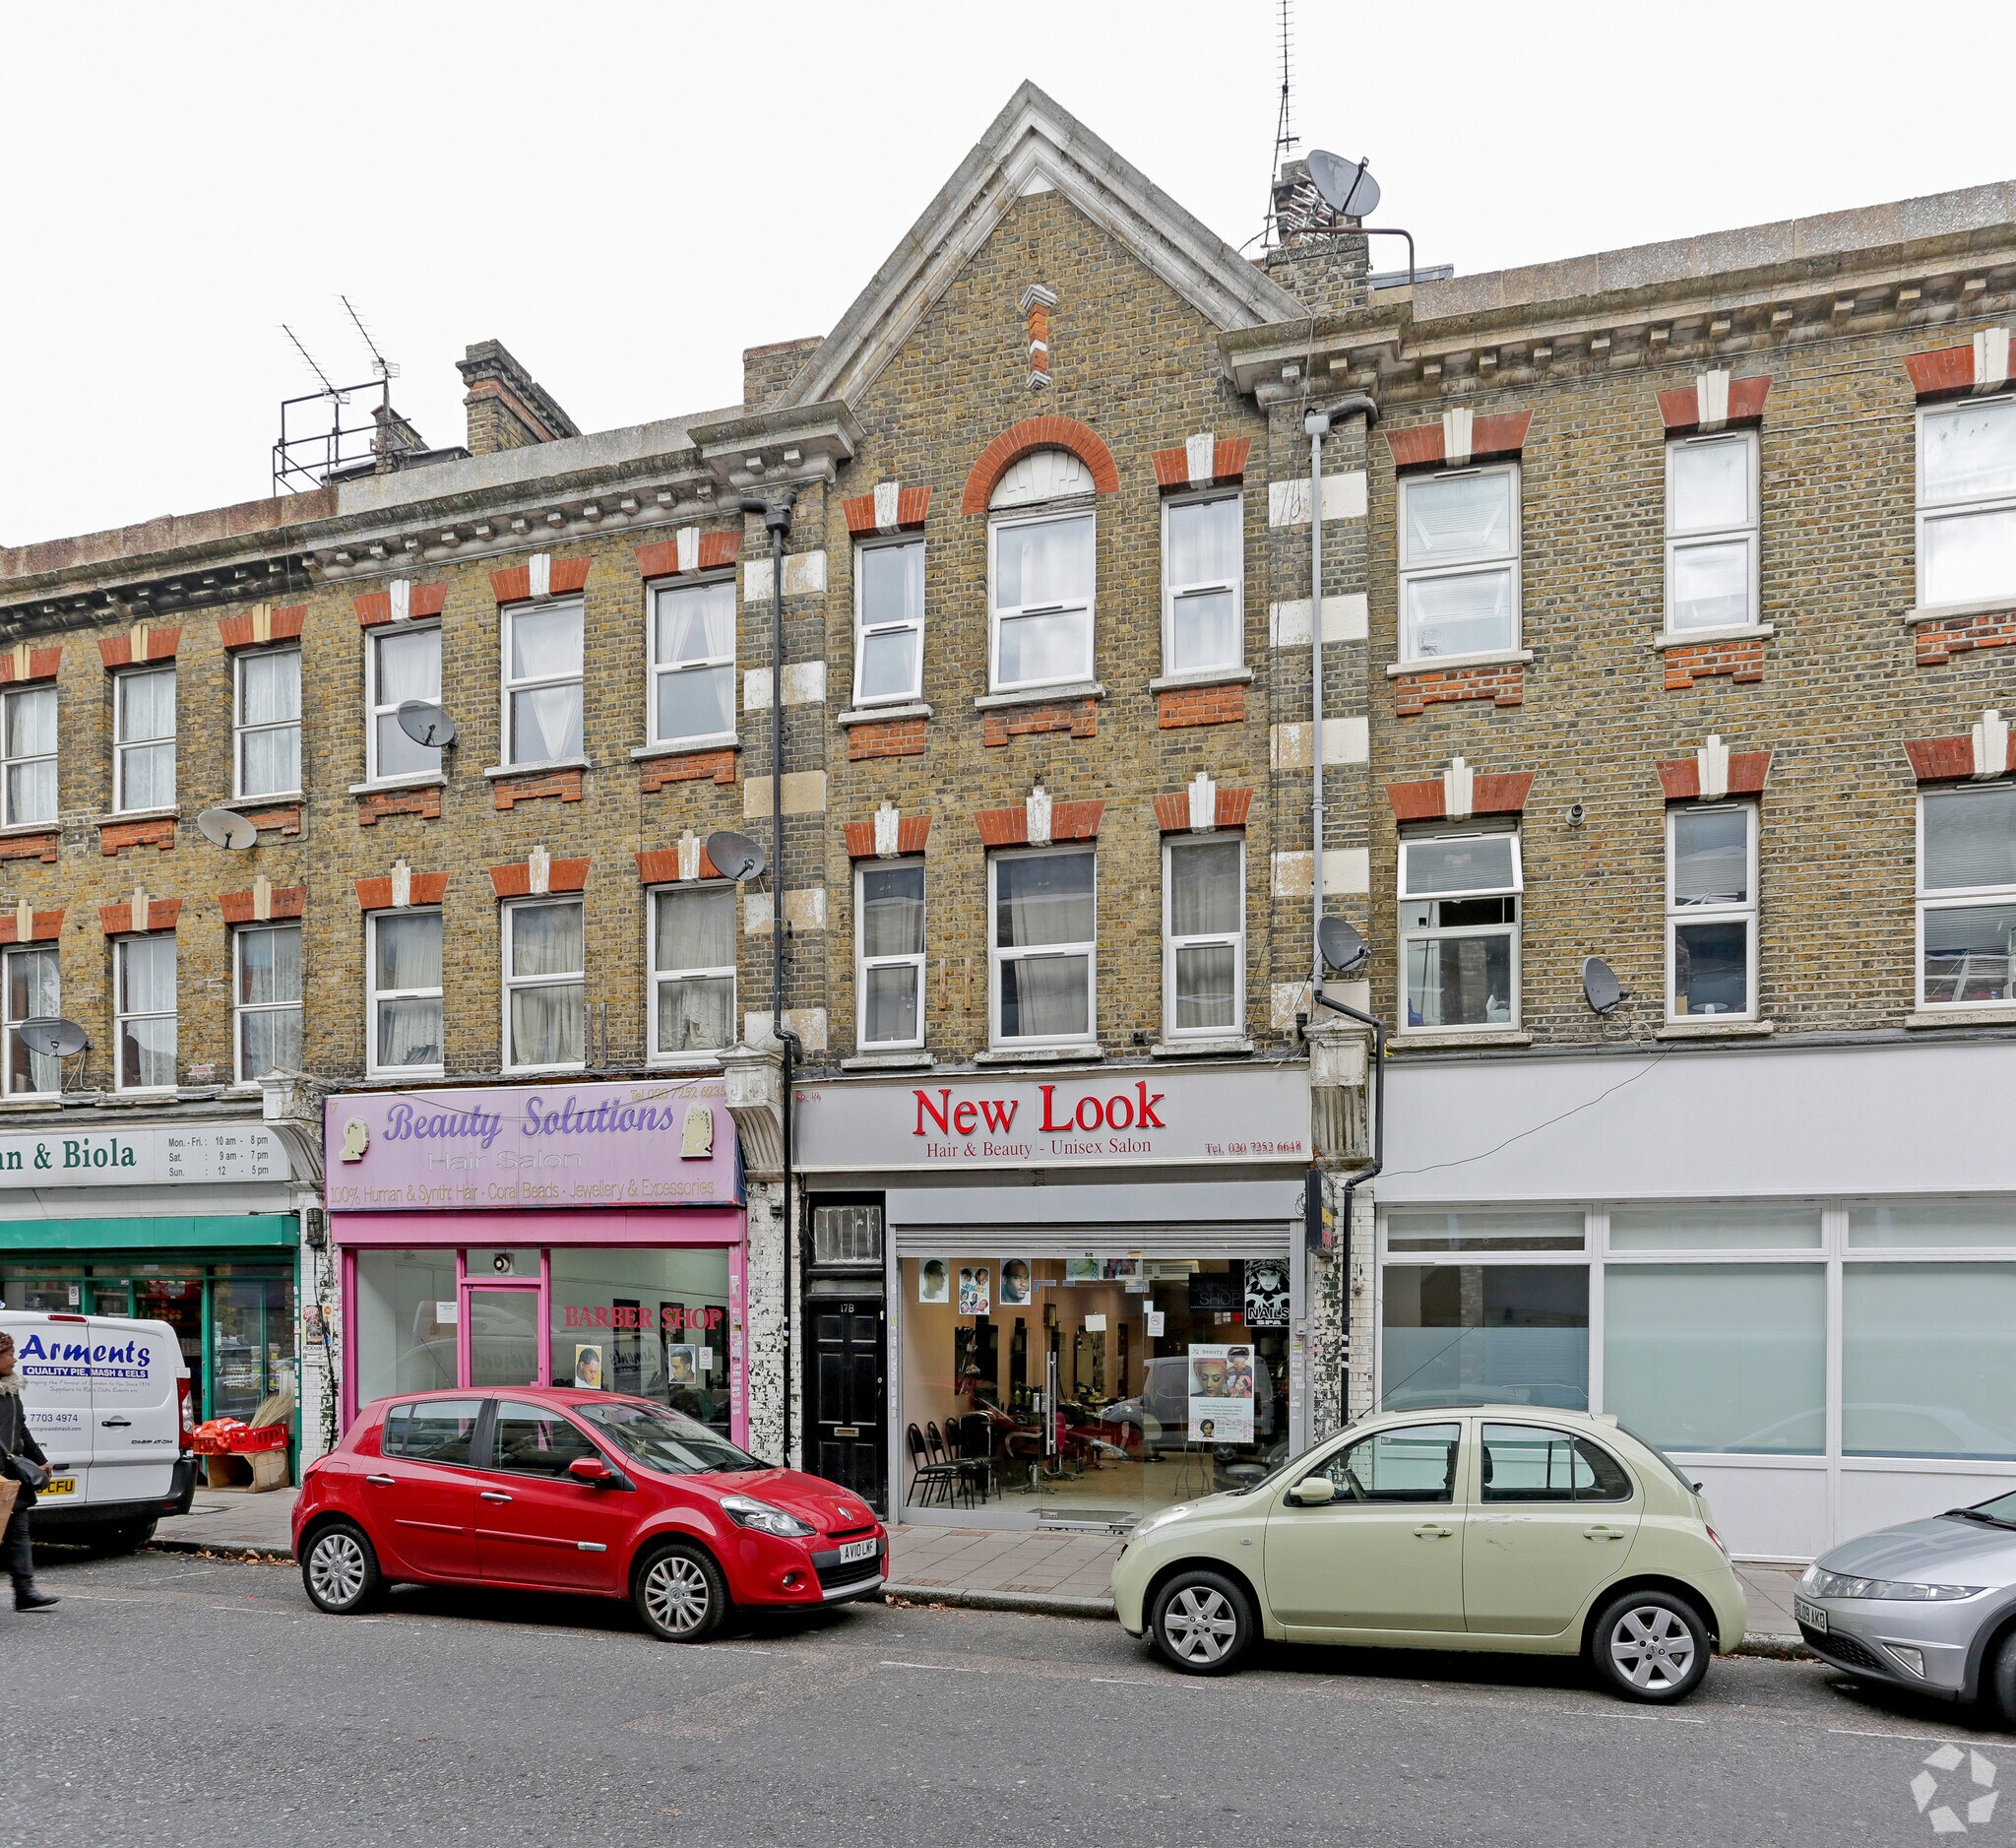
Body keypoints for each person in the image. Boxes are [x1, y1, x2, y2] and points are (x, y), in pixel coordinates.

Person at [0, 1331, 58, 1613]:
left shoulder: (10, 1390)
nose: (14, 1359)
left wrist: (40, 1461)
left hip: (11, 1474)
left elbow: (21, 1429)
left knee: (19, 1531)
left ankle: (25, 1591)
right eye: (9, 1354)